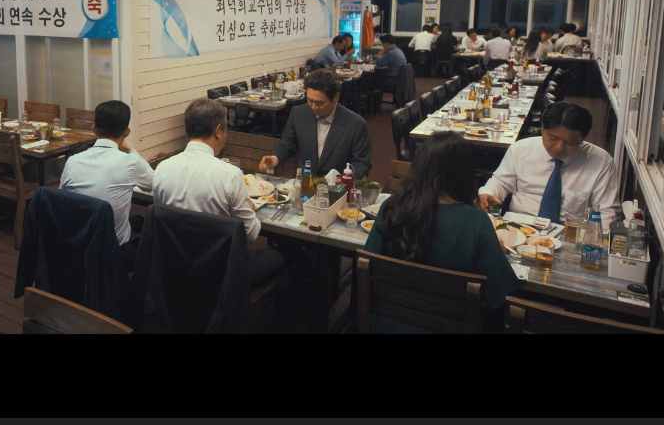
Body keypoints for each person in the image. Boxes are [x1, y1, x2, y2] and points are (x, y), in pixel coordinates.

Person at [365, 133, 519, 332]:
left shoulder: (392, 207)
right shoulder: (476, 221)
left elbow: (369, 263)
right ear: (465, 173)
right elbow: (499, 294)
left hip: (386, 324)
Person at [153, 98, 285, 287]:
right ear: (218, 130)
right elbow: (251, 234)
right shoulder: (230, 175)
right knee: (279, 256)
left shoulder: (162, 169)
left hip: (174, 266)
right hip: (222, 272)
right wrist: (249, 208)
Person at [477, 102, 619, 231]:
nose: (559, 147)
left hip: (570, 233)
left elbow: (606, 212)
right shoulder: (520, 150)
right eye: (554, 138)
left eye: (570, 142)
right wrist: (489, 192)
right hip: (520, 227)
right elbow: (501, 182)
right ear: (543, 129)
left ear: (583, 139)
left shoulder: (601, 162)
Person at [60, 100, 153, 272]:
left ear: (94, 129)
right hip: (114, 254)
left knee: (136, 221)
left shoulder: (72, 161)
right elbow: (153, 184)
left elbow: (62, 199)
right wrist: (130, 149)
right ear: (127, 132)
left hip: (76, 248)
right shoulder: (130, 162)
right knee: (148, 229)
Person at [258, 69, 372, 178]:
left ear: (336, 97)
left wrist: (345, 179)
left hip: (336, 186)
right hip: (303, 183)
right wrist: (275, 158)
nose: (313, 107)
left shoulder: (356, 124)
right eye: (309, 100)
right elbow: (286, 144)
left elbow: (361, 164)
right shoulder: (298, 114)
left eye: (319, 102)